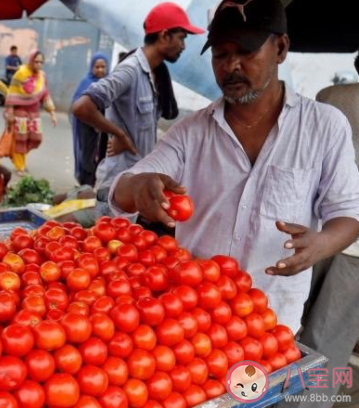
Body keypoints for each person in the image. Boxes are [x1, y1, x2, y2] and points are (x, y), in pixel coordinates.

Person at [110, 0, 359, 335]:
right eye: (221, 55)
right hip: (192, 319)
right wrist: (140, 187)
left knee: (258, 389)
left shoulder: (324, 126)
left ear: (281, 48)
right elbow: (123, 188)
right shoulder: (190, 132)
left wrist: (322, 243)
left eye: (246, 51)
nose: (231, 66)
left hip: (271, 322)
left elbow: (348, 212)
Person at [72, 2, 205, 217]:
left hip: (137, 180)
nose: (183, 46)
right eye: (181, 37)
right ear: (164, 35)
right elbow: (82, 107)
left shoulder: (154, 73)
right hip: (118, 185)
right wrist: (119, 134)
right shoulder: (130, 70)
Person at [279, 53, 359, 408]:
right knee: (330, 339)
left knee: (288, 326)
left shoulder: (331, 97)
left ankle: (266, 394)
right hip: (355, 251)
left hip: (313, 232)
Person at [4, 51, 58, 175]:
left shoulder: (42, 76)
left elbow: (45, 95)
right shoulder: (21, 73)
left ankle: (19, 158)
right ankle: (20, 165)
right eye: (36, 61)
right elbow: (12, 93)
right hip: (20, 112)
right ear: (31, 60)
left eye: (41, 62)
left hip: (34, 113)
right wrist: (10, 113)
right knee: (21, 139)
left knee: (35, 138)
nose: (38, 64)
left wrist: (52, 113)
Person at [71, 52, 109, 186]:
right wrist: (93, 121)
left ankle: (94, 184)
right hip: (87, 127)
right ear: (92, 67)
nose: (100, 70)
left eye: (103, 67)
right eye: (97, 67)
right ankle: (85, 184)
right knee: (88, 155)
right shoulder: (86, 83)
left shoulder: (110, 83)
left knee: (101, 156)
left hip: (104, 128)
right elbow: (76, 105)